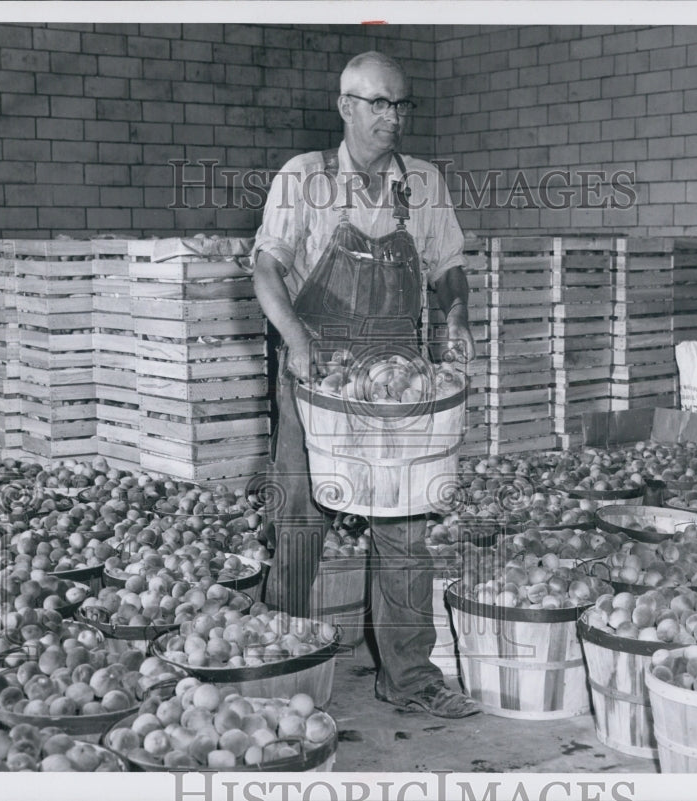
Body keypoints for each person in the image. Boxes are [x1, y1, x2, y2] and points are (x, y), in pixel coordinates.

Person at [252, 51, 479, 718]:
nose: (392, 117)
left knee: (406, 530)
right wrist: (295, 339)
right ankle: (276, 664)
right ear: (346, 106)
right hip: (316, 374)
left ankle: (408, 676)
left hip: (396, 384)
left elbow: (448, 265)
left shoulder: (425, 183)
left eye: (401, 105)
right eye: (378, 104)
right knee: (301, 519)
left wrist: (457, 309)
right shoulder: (305, 179)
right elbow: (267, 269)